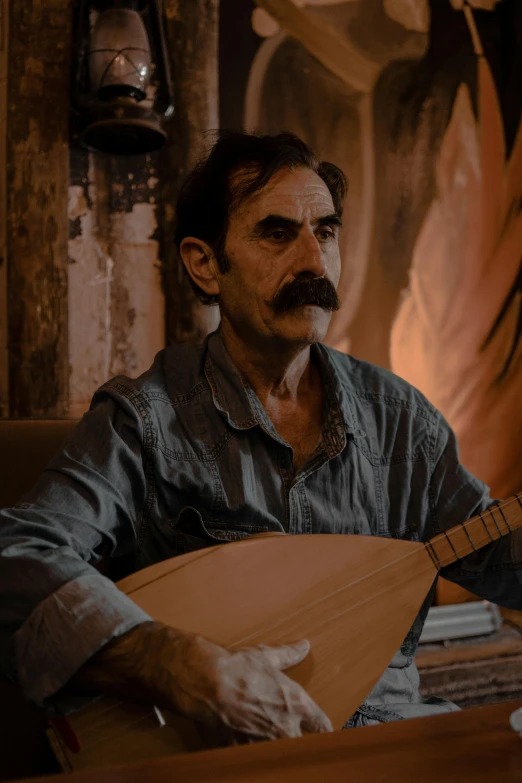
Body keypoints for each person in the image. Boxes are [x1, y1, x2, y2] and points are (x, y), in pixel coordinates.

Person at [0, 131, 520, 742]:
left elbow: (499, 562)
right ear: (204, 263)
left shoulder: (403, 421)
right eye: (278, 233)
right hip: (215, 753)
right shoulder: (146, 419)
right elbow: (18, 555)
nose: (313, 260)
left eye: (325, 232)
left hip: (387, 739)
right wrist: (180, 665)